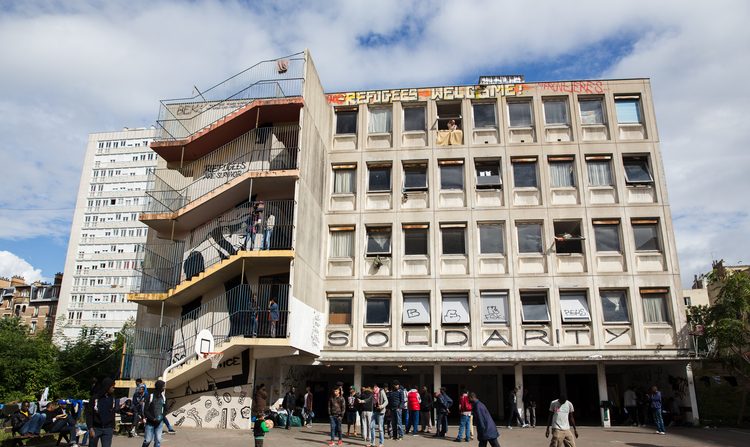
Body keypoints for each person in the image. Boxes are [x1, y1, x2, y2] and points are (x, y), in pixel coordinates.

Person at [86, 377, 117, 447]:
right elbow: (89, 414)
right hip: (96, 428)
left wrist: (112, 426)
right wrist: (90, 428)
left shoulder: (112, 399)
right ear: (107, 387)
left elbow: (112, 413)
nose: (113, 389)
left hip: (108, 429)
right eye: (112, 387)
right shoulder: (95, 398)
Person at [141, 379, 167, 447]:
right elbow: (145, 410)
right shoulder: (150, 396)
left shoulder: (163, 397)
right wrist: (152, 419)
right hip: (150, 423)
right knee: (148, 440)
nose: (164, 388)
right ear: (159, 387)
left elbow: (165, 409)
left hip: (159, 423)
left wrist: (162, 417)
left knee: (158, 441)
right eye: (163, 386)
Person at [369, 383, 389, 447]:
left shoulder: (381, 391)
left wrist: (382, 406)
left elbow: (386, 401)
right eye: (372, 389)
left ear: (376, 387)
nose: (373, 390)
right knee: (372, 427)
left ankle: (381, 443)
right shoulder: (373, 393)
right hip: (374, 411)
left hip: (381, 411)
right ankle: (372, 443)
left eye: (374, 388)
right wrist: (362, 401)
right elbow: (369, 399)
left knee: (380, 428)